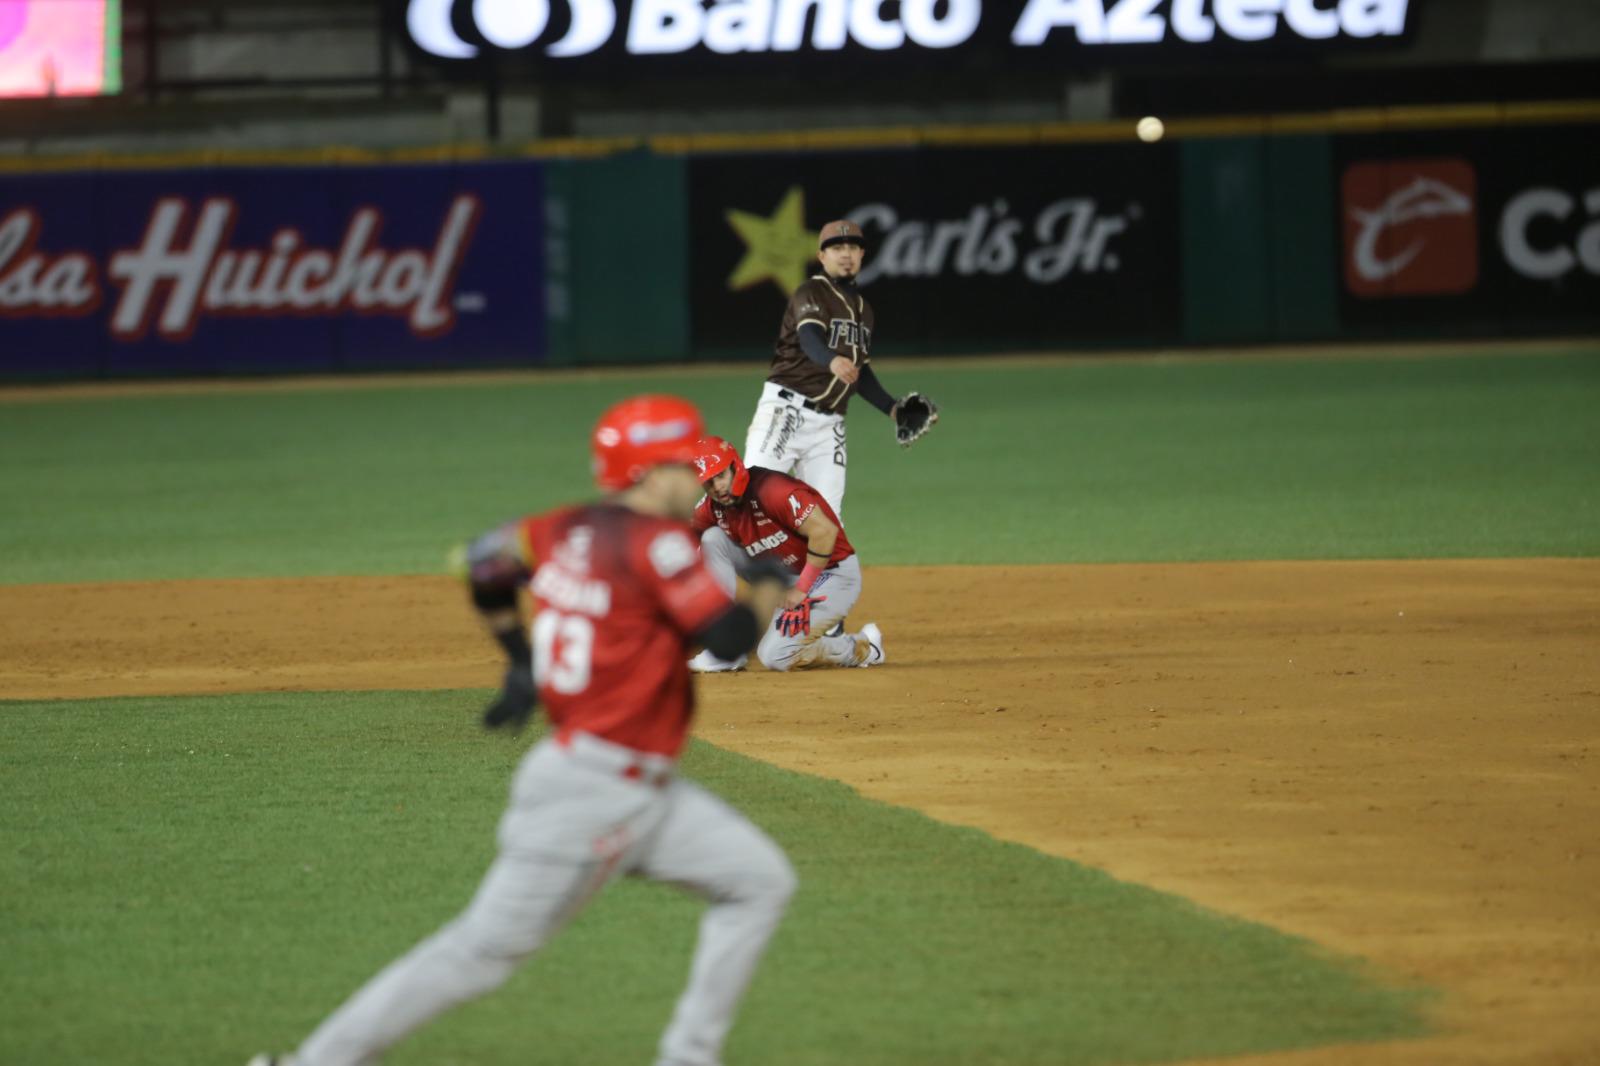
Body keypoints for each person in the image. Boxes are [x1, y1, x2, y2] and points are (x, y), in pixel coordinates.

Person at [248, 395, 793, 1066]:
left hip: (639, 789)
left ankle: (689, 1056)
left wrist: (519, 658)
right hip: (592, 792)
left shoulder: (558, 528)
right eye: (685, 461)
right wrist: (766, 585)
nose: (696, 473)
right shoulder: (658, 543)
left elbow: (477, 562)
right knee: (480, 953)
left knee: (759, 880)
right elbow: (731, 636)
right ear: (652, 471)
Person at [740, 218, 939, 522]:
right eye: (836, 247)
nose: (845, 253)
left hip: (829, 425)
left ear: (862, 255)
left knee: (827, 524)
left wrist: (892, 409)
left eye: (852, 247)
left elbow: (860, 371)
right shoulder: (810, 292)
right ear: (822, 256)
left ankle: (813, 572)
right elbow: (809, 337)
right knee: (753, 507)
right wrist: (831, 359)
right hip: (785, 411)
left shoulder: (864, 311)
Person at [686, 436, 885, 675]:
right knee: (712, 539)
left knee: (776, 655)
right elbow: (681, 541)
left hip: (830, 574)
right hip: (783, 573)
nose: (717, 487)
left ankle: (862, 647)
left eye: (720, 476)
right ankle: (725, 650)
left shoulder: (773, 490)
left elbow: (825, 532)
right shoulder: (713, 506)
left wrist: (802, 588)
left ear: (735, 467)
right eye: (708, 483)